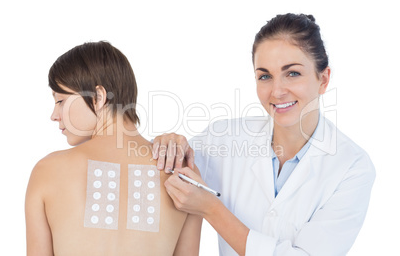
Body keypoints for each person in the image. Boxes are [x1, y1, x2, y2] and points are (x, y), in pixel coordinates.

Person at [152, 13, 375, 255]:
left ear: (323, 79)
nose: (277, 91)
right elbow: (165, 172)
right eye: (265, 76)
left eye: (292, 73)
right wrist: (168, 145)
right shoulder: (225, 137)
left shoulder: (352, 167)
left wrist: (211, 209)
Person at [25, 41, 202, 256]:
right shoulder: (182, 173)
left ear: (98, 97)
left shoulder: (48, 170)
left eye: (60, 100)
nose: (54, 115)